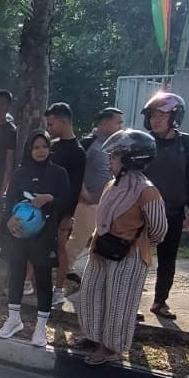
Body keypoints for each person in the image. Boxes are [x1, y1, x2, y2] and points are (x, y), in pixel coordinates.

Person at [75, 129, 168, 365]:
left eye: (115, 156)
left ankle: (111, 348)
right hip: (102, 249)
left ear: (130, 159)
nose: (110, 161)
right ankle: (93, 336)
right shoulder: (112, 185)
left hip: (129, 255)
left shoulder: (147, 191)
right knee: (91, 294)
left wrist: (138, 243)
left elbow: (159, 229)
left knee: (119, 303)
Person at [0, 130, 70, 347]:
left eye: (44, 146)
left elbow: (66, 200)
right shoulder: (20, 172)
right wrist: (8, 219)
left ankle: (40, 326)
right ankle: (13, 319)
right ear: (29, 150)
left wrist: (49, 198)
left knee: (43, 278)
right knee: (16, 274)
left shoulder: (58, 173)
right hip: (18, 232)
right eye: (36, 147)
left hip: (44, 234)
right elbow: (9, 200)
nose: (40, 151)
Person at [141, 92, 189, 320]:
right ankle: (131, 301)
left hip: (173, 213)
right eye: (152, 115)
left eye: (161, 115)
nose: (155, 120)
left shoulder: (186, 144)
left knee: (167, 260)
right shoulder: (143, 142)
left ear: (174, 117)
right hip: (143, 213)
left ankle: (160, 302)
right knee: (138, 259)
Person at [65, 107, 122, 282]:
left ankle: (98, 270)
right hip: (87, 201)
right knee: (80, 235)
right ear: (104, 123)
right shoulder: (89, 143)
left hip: (105, 200)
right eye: (117, 122)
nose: (120, 126)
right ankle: (64, 267)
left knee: (102, 237)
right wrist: (82, 191)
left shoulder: (113, 145)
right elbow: (75, 168)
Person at [44, 102, 86, 306]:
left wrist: (68, 215)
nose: (48, 128)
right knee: (38, 246)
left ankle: (58, 289)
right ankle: (30, 282)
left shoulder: (78, 152)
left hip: (63, 209)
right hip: (45, 205)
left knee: (60, 247)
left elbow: (76, 187)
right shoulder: (52, 146)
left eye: (51, 124)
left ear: (63, 122)